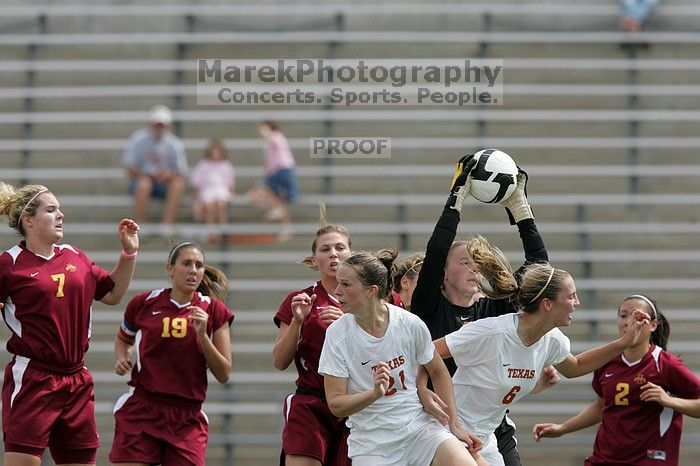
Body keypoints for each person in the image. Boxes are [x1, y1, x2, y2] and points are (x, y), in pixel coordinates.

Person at [411, 154, 558, 466]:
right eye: (464, 262)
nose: (473, 269)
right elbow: (437, 250)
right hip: (438, 420)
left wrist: (521, 210)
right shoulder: (429, 305)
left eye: (478, 263)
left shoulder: (498, 307)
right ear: (444, 274)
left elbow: (541, 268)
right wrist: (455, 201)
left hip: (491, 423)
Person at [431, 263, 651, 466]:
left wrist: (624, 343)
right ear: (547, 304)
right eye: (572, 296)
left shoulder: (552, 340)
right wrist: (424, 392)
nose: (577, 302)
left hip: (483, 437)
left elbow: (575, 367)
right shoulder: (492, 332)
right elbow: (427, 354)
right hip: (448, 430)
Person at [0, 182, 139, 466]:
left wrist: (129, 254)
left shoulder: (75, 256)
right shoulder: (9, 264)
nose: (60, 215)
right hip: (33, 379)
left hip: (76, 380)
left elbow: (112, 294)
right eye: (51, 210)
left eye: (60, 209)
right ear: (28, 219)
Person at [318, 249, 486, 466]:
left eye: (346, 284)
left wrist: (454, 425)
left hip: (418, 428)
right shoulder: (337, 335)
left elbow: (438, 370)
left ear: (372, 290)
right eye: (338, 283)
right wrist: (374, 393)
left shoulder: (409, 323)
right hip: (373, 444)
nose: (337, 291)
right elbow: (336, 405)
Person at [532, 294, 700, 466]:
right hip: (605, 459)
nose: (629, 322)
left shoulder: (665, 365)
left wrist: (669, 401)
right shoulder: (606, 361)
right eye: (623, 316)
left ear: (653, 325)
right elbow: (601, 406)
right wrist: (562, 428)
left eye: (638, 316)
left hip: (649, 461)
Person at [109, 241, 234, 466]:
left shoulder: (214, 310)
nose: (193, 270)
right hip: (143, 407)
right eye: (186, 263)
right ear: (170, 269)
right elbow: (122, 339)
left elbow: (224, 373)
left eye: (199, 265)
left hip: (187, 416)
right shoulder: (143, 303)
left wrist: (203, 336)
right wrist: (121, 356)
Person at [272, 205, 352, 466]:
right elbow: (280, 361)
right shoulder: (301, 300)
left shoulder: (370, 300)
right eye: (325, 249)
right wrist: (297, 322)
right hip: (312, 403)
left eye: (340, 248)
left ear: (352, 254)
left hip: (356, 405)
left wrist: (350, 324)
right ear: (314, 258)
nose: (333, 254)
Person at [122, 104, 188, 231]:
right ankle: (140, 225)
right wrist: (148, 175)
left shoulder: (174, 143)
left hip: (164, 183)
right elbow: (129, 168)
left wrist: (167, 175)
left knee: (178, 184)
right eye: (156, 123)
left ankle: (166, 226)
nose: (158, 127)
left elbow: (180, 172)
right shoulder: (138, 139)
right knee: (144, 183)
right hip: (142, 181)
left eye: (161, 124)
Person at [248, 120, 299, 241]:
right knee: (277, 200)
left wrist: (268, 135)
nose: (260, 131)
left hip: (283, 170)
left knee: (263, 187)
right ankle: (286, 228)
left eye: (263, 128)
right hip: (276, 171)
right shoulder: (268, 142)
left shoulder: (276, 136)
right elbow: (269, 161)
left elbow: (276, 145)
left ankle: (276, 210)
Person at [190, 139, 236, 244]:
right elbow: (196, 182)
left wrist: (232, 193)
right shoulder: (203, 165)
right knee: (209, 206)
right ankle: (211, 232)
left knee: (221, 205)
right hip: (207, 191)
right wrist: (196, 198)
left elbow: (230, 182)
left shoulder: (226, 165)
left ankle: (223, 232)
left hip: (221, 190)